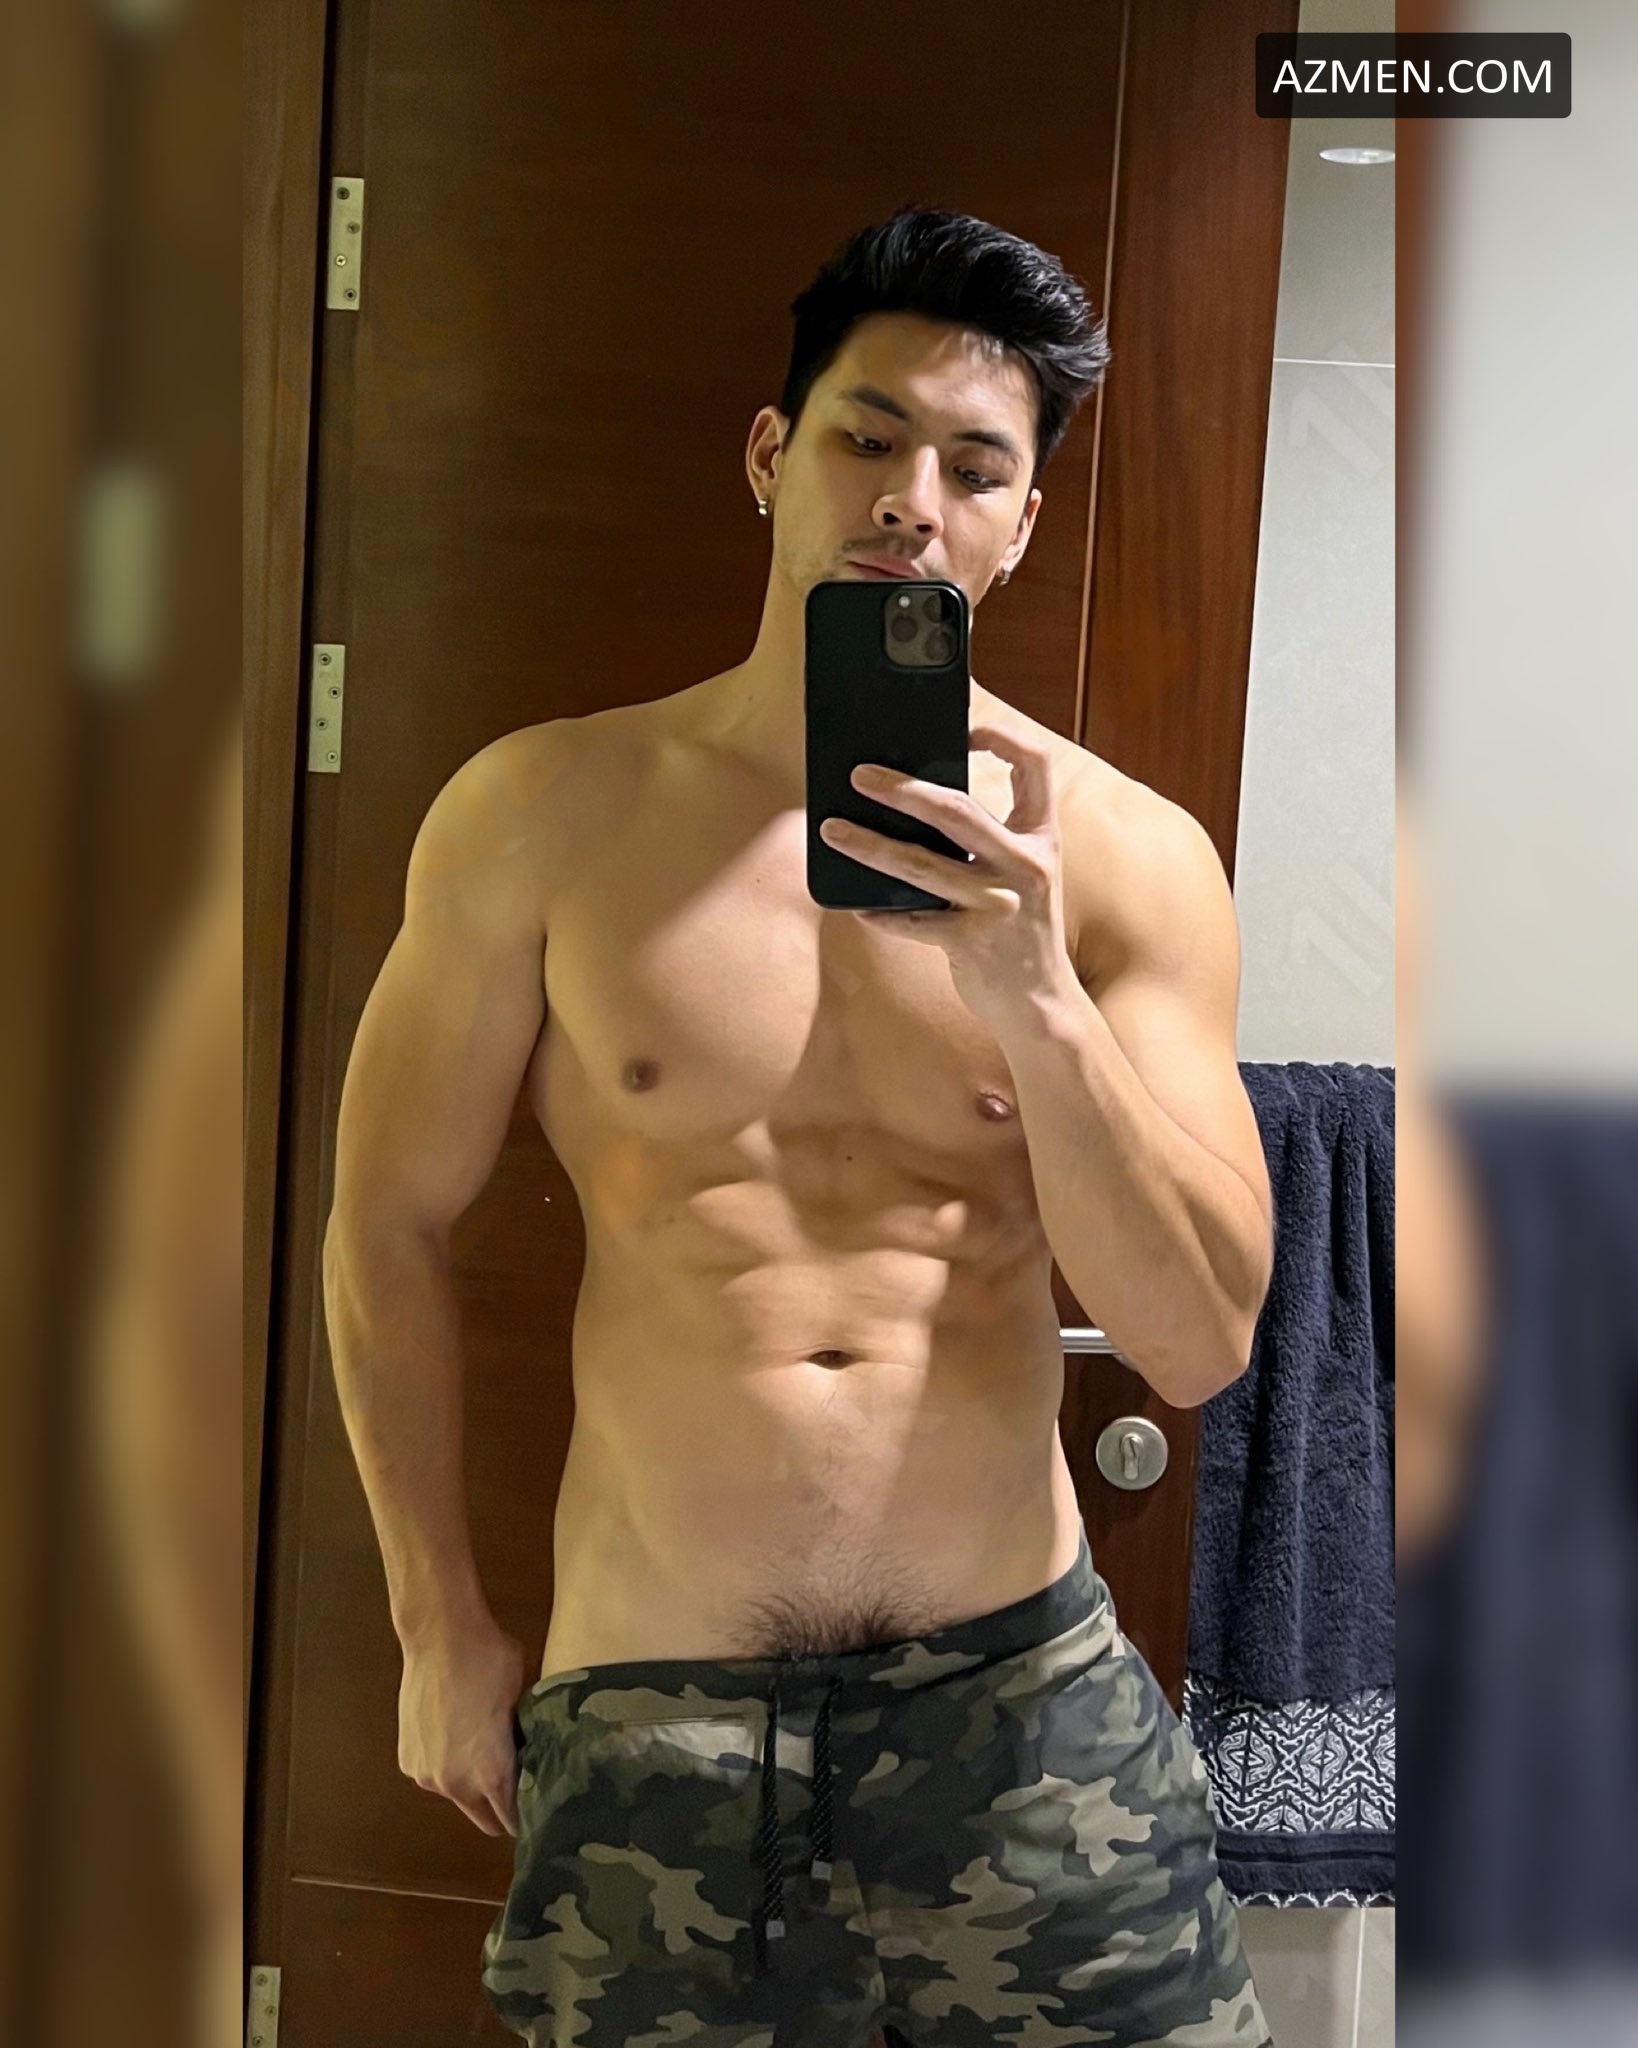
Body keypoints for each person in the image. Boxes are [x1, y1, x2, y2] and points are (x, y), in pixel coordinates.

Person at [325, 204, 1276, 2048]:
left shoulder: (1128, 862)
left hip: (1021, 1720)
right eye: (866, 436)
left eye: (973, 468)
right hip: (653, 1714)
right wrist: (437, 1624)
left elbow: (1193, 1340)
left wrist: (1035, 998)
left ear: (1019, 521)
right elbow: (384, 1223)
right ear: (771, 455)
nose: (910, 499)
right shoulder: (542, 813)